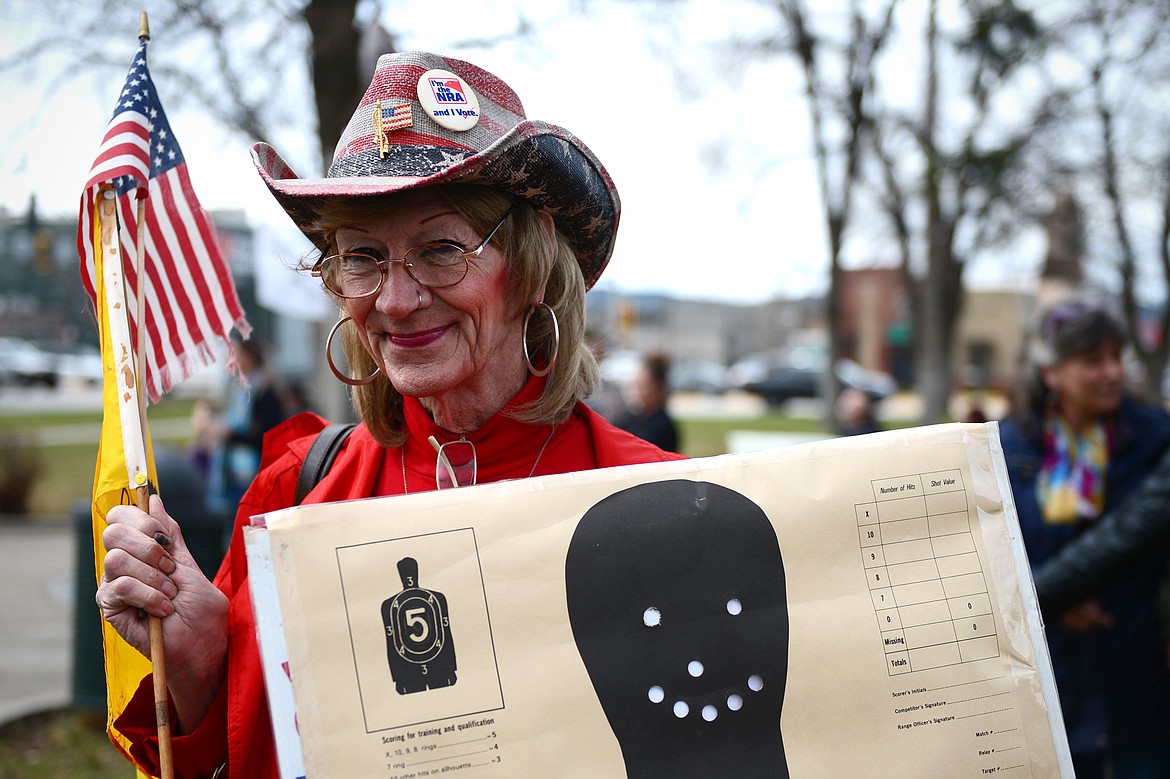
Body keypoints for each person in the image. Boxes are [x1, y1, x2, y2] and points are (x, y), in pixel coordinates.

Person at [94, 51, 686, 778]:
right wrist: (199, 668)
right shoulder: (294, 497)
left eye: (440, 249)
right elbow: (237, 758)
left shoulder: (666, 505)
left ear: (532, 267)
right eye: (363, 257)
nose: (396, 300)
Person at [997, 298, 1170, 779]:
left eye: (1117, 357)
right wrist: (1052, 598)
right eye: (1093, 361)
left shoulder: (1156, 441)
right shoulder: (1008, 448)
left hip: (1137, 674)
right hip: (1050, 677)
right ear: (1052, 371)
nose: (1112, 372)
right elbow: (989, 552)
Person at [615, 352, 680, 453]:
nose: (638, 392)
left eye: (643, 387)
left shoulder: (662, 427)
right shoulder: (631, 418)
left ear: (657, 388)